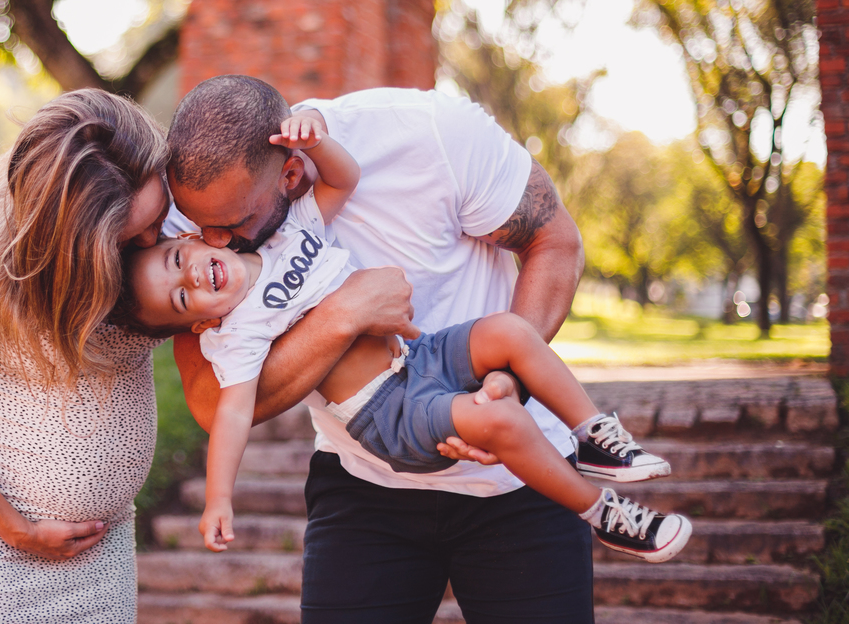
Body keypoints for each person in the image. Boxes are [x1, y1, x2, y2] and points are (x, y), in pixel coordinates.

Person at [115, 114, 686, 563]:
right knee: (503, 423)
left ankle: (592, 434)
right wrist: (219, 497)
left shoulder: (285, 231)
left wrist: (313, 139)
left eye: (177, 258)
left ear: (192, 241)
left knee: (510, 330)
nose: (191, 276)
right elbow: (232, 416)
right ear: (196, 323)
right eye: (182, 296)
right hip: (389, 412)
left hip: (420, 357)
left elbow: (345, 177)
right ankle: (605, 514)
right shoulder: (233, 333)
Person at [166, 75, 600, 622]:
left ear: (293, 172)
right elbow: (213, 402)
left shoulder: (426, 132)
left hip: (515, 474)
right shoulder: (198, 221)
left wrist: (508, 378)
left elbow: (555, 242)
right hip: (363, 480)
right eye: (200, 227)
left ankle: (605, 457)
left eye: (232, 226)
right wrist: (344, 316)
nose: (214, 242)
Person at [0, 89, 175, 623]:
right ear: (72, 243)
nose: (153, 240)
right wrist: (16, 528)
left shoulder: (162, 228)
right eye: (128, 236)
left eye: (156, 218)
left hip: (103, 545)